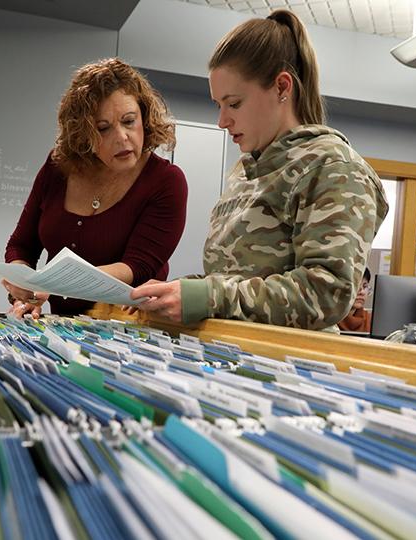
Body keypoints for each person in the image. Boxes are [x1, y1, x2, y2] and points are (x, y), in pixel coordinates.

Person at [130, 10, 389, 331]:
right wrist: (174, 291)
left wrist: (205, 295)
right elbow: (230, 280)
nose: (222, 121)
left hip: (293, 367)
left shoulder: (332, 165)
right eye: (218, 105)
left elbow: (328, 292)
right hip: (233, 354)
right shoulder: (245, 171)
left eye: (234, 103)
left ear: (282, 87)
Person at [3, 58, 188, 317]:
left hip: (130, 332)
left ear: (144, 119)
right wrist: (22, 284)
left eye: (129, 121)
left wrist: (48, 283)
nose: (122, 137)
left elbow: (137, 267)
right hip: (61, 327)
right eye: (103, 128)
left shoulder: (166, 181)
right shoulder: (57, 168)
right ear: (82, 133)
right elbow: (21, 245)